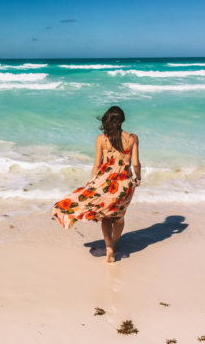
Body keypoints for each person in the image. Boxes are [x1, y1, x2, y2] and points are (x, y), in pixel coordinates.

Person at [53, 106, 141, 263]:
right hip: (123, 185)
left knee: (106, 218)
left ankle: (109, 249)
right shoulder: (132, 138)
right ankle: (114, 243)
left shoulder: (101, 139)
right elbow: (136, 165)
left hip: (104, 183)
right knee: (119, 218)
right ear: (122, 120)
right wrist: (138, 178)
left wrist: (93, 184)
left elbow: (96, 164)